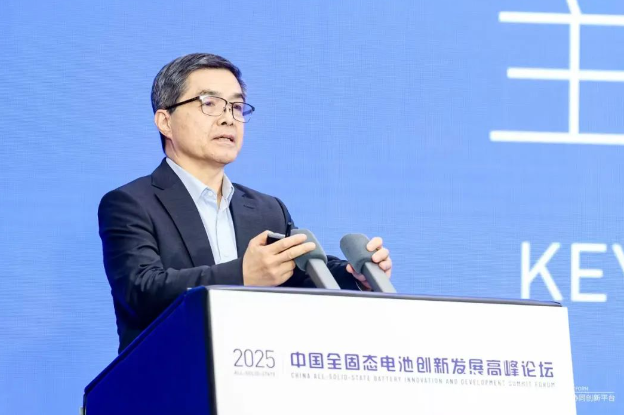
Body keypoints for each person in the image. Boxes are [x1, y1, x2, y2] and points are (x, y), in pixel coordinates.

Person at [98, 53, 393, 352]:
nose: (228, 118)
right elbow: (142, 291)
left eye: (236, 107)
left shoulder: (267, 209)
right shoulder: (130, 204)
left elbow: (302, 275)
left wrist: (356, 276)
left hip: (259, 369)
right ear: (165, 121)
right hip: (174, 370)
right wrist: (243, 275)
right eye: (209, 103)